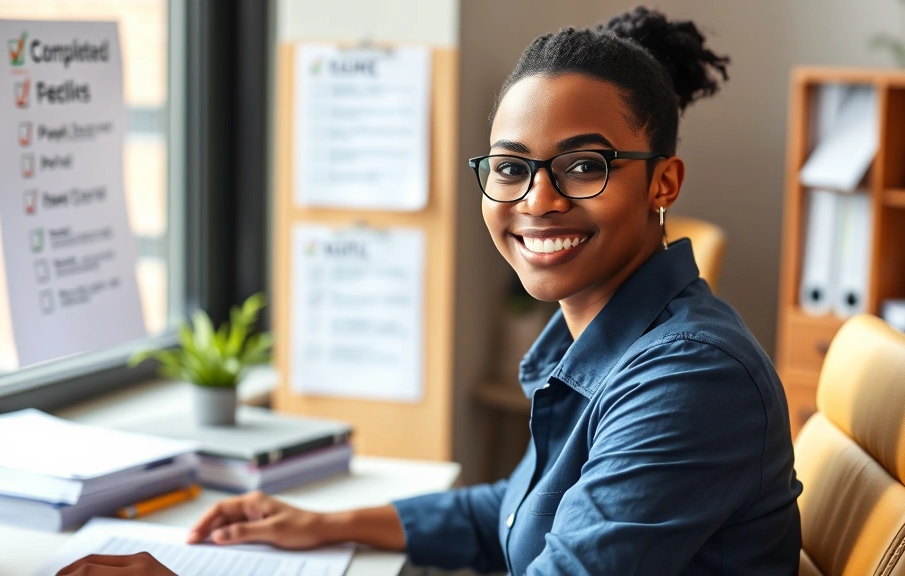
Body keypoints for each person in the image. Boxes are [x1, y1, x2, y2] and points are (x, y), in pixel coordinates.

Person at [58, 6, 802, 575]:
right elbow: (508, 515)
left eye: (583, 166)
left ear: (662, 182)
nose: (537, 200)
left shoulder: (688, 375)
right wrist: (320, 524)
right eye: (511, 168)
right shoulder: (599, 340)